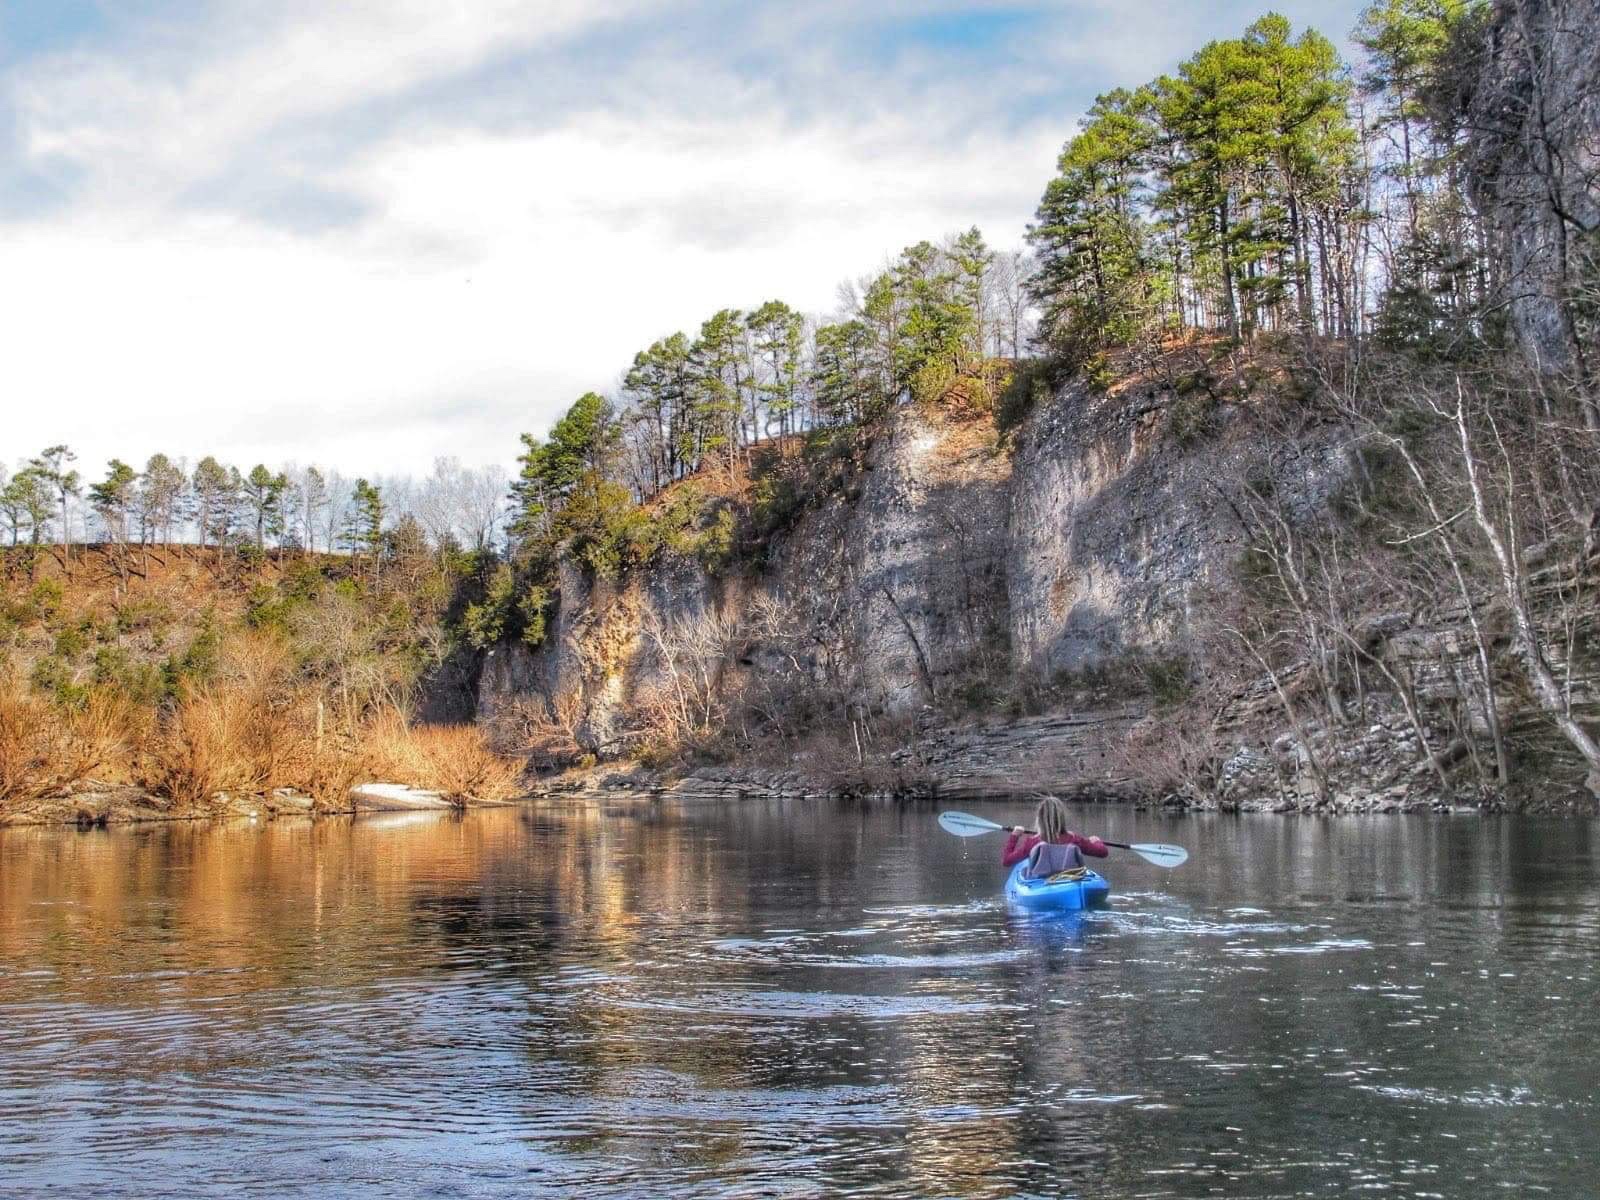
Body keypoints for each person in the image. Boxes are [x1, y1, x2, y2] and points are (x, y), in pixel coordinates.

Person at [1002, 796, 1108, 880]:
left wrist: (1014, 836)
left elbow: (1007, 861)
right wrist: (1097, 842)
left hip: (1041, 883)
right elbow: (1102, 852)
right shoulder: (1074, 839)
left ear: (1039, 819)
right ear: (1062, 818)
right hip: (1071, 880)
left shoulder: (1033, 842)